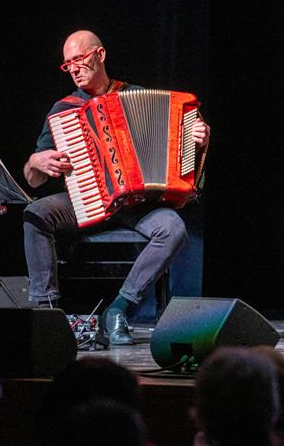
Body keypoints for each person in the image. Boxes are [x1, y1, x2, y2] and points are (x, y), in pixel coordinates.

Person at [22, 30, 209, 345]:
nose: (74, 69)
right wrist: (35, 162)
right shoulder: (63, 109)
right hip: (85, 199)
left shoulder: (136, 95)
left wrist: (196, 140)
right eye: (67, 65)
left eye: (79, 60)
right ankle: (46, 311)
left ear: (100, 55)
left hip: (137, 205)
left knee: (173, 229)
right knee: (35, 213)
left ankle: (119, 308)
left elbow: (181, 152)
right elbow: (33, 180)